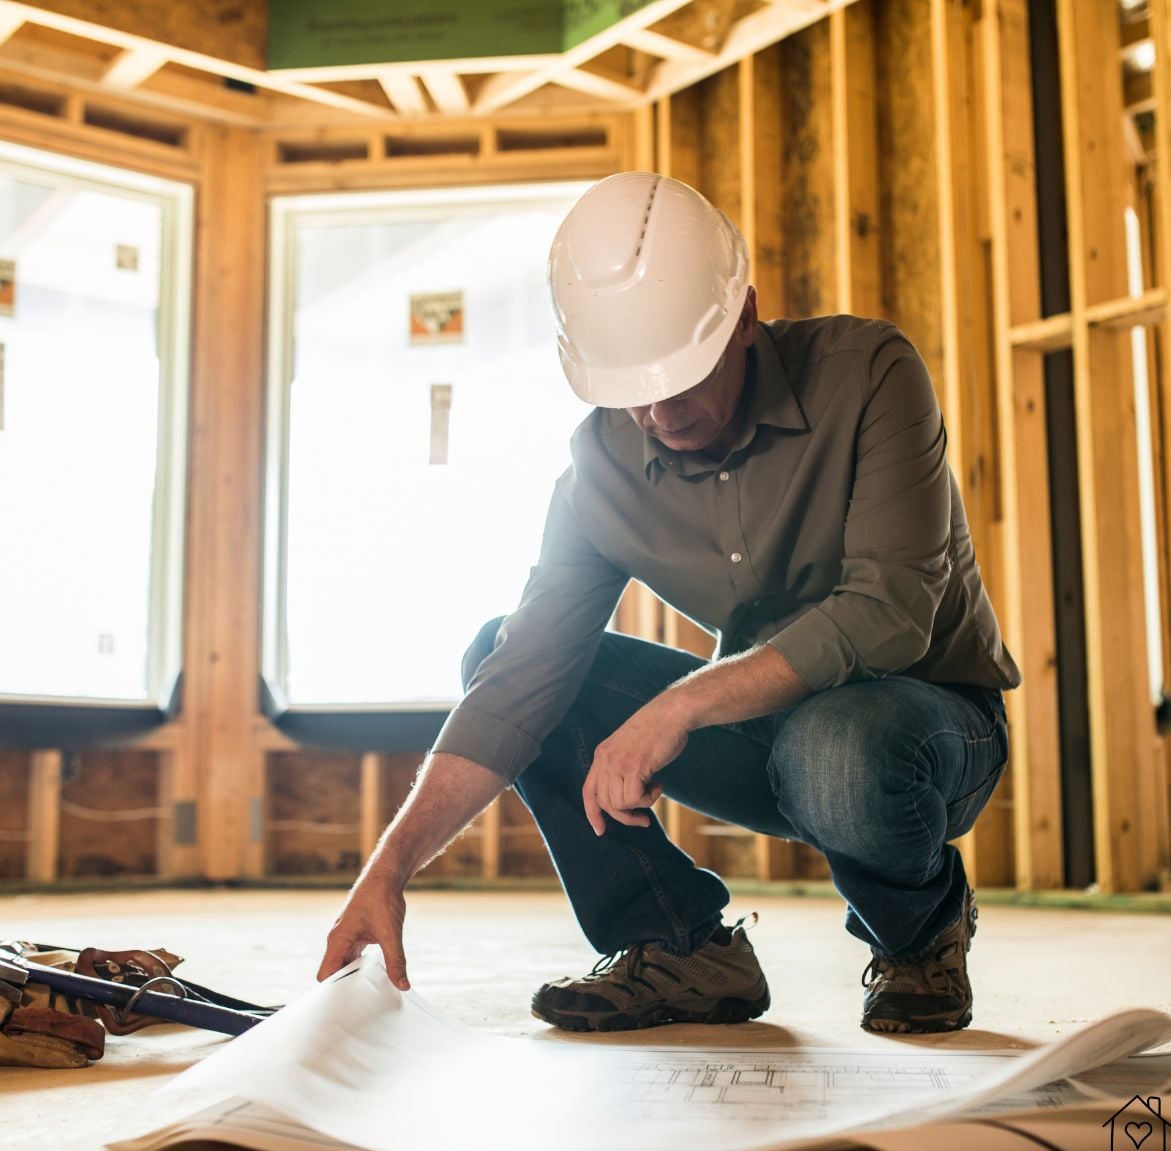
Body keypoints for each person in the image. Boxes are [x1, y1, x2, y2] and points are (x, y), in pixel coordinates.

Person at [319, 172, 1021, 1035]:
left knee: (835, 747)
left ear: (746, 317)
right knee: (498, 649)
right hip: (770, 731)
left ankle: (922, 935)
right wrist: (388, 868)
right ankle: (679, 948)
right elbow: (515, 688)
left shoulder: (869, 373)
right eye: (629, 391)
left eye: (683, 378)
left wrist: (681, 705)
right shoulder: (598, 471)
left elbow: (893, 609)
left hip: (929, 727)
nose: (658, 412)